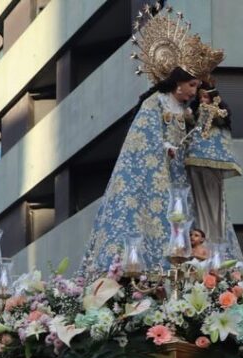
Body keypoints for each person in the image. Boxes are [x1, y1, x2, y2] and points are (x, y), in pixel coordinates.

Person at [77, 5, 224, 280]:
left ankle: (185, 272)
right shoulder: (154, 103)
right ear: (178, 82)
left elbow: (198, 138)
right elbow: (142, 138)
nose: (194, 91)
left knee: (185, 223)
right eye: (192, 85)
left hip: (180, 176)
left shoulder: (188, 112)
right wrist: (163, 147)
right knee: (158, 223)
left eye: (196, 86)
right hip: (155, 174)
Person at [185, 83, 243, 260]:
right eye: (201, 97)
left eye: (206, 97)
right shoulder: (196, 114)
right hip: (196, 159)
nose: (203, 100)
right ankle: (206, 231)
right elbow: (192, 124)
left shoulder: (216, 116)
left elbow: (221, 119)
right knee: (201, 199)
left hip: (212, 163)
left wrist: (214, 111)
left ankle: (214, 237)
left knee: (214, 199)